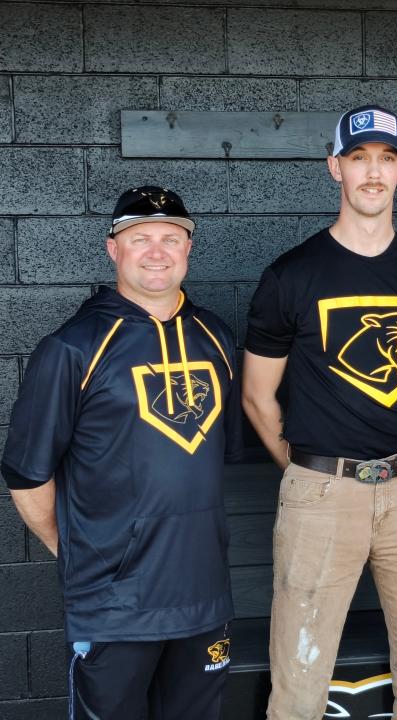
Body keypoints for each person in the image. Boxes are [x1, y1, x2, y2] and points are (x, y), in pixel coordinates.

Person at [242, 104, 397, 720]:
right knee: (298, 688)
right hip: (322, 491)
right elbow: (258, 397)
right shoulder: (292, 275)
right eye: (359, 158)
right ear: (334, 167)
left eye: (386, 159)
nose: (373, 172)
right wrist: (301, 467)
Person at [1, 187, 239, 720]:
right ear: (113, 249)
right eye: (140, 239)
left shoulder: (216, 338)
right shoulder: (73, 347)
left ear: (188, 248)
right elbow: (25, 473)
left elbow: (209, 465)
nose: (157, 251)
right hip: (113, 606)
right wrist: (74, 548)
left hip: (203, 597)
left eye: (170, 238)